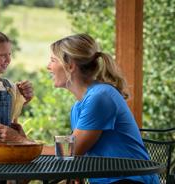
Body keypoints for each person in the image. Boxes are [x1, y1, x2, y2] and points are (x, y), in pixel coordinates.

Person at [45, 33, 159, 184]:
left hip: (130, 180)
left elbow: (71, 151)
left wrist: (26, 146)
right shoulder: (78, 107)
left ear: (70, 66)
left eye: (53, 60)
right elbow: (75, 156)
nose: (48, 67)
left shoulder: (100, 96)